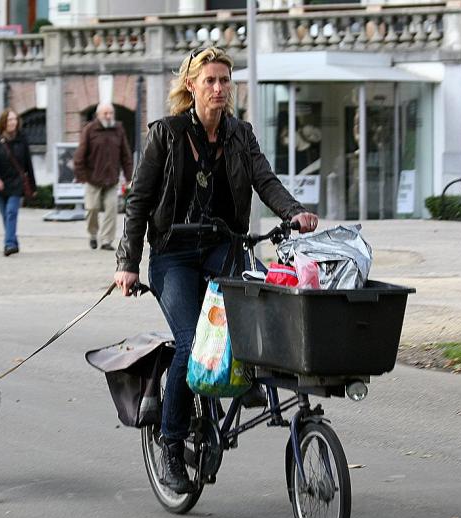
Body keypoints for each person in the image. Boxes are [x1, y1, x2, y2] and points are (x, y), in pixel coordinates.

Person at [113, 47, 319, 494]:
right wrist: (128, 263)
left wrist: (295, 212)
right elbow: (139, 203)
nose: (219, 88)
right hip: (174, 255)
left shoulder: (240, 134)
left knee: (269, 297)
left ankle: (246, 380)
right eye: (210, 80)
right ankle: (170, 446)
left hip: (223, 247)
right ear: (191, 85)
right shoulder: (165, 135)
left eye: (225, 80)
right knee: (191, 343)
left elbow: (265, 181)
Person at [73, 102, 133, 251]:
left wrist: (129, 176)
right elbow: (80, 155)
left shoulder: (118, 130)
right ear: (98, 115)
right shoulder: (89, 130)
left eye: (111, 113)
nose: (108, 116)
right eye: (105, 113)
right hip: (92, 178)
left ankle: (106, 240)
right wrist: (81, 175)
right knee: (92, 209)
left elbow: (126, 155)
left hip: (112, 178)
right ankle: (93, 234)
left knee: (111, 209)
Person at [0, 109, 36, 257]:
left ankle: (9, 244)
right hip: (1, 182)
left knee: (11, 212)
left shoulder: (22, 139)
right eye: (9, 120)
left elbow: (28, 164)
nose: (13, 122)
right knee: (5, 215)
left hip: (17, 183)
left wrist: (33, 186)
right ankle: (13, 240)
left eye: (15, 119)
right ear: (3, 122)